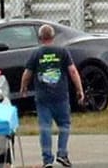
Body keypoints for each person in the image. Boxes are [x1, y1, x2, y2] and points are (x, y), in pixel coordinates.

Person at [19, 24, 85, 168]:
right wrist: (79, 89)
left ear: (40, 38)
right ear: (53, 37)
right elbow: (73, 72)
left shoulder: (36, 54)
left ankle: (47, 159)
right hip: (60, 95)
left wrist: (23, 87)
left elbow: (27, 73)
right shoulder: (62, 52)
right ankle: (62, 153)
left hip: (43, 98)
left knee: (45, 128)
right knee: (64, 124)